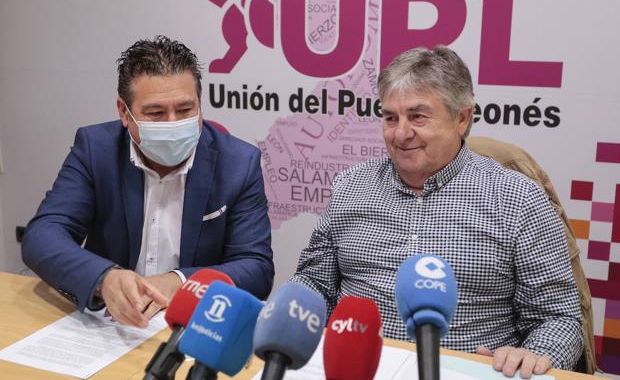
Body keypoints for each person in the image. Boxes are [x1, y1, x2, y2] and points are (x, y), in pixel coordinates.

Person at [291, 46, 583, 378]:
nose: (400, 134)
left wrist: (532, 356)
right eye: (390, 118)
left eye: (417, 116)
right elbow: (315, 282)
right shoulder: (350, 186)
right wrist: (289, 309)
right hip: (354, 366)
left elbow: (559, 319)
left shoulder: (518, 199)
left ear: (462, 117)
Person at [22, 35, 274, 329]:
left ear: (200, 105)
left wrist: (179, 282)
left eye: (185, 110)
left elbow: (256, 268)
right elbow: (42, 235)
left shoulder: (238, 163)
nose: (172, 123)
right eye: (155, 113)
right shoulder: (96, 149)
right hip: (111, 325)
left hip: (196, 325)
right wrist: (105, 279)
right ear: (123, 113)